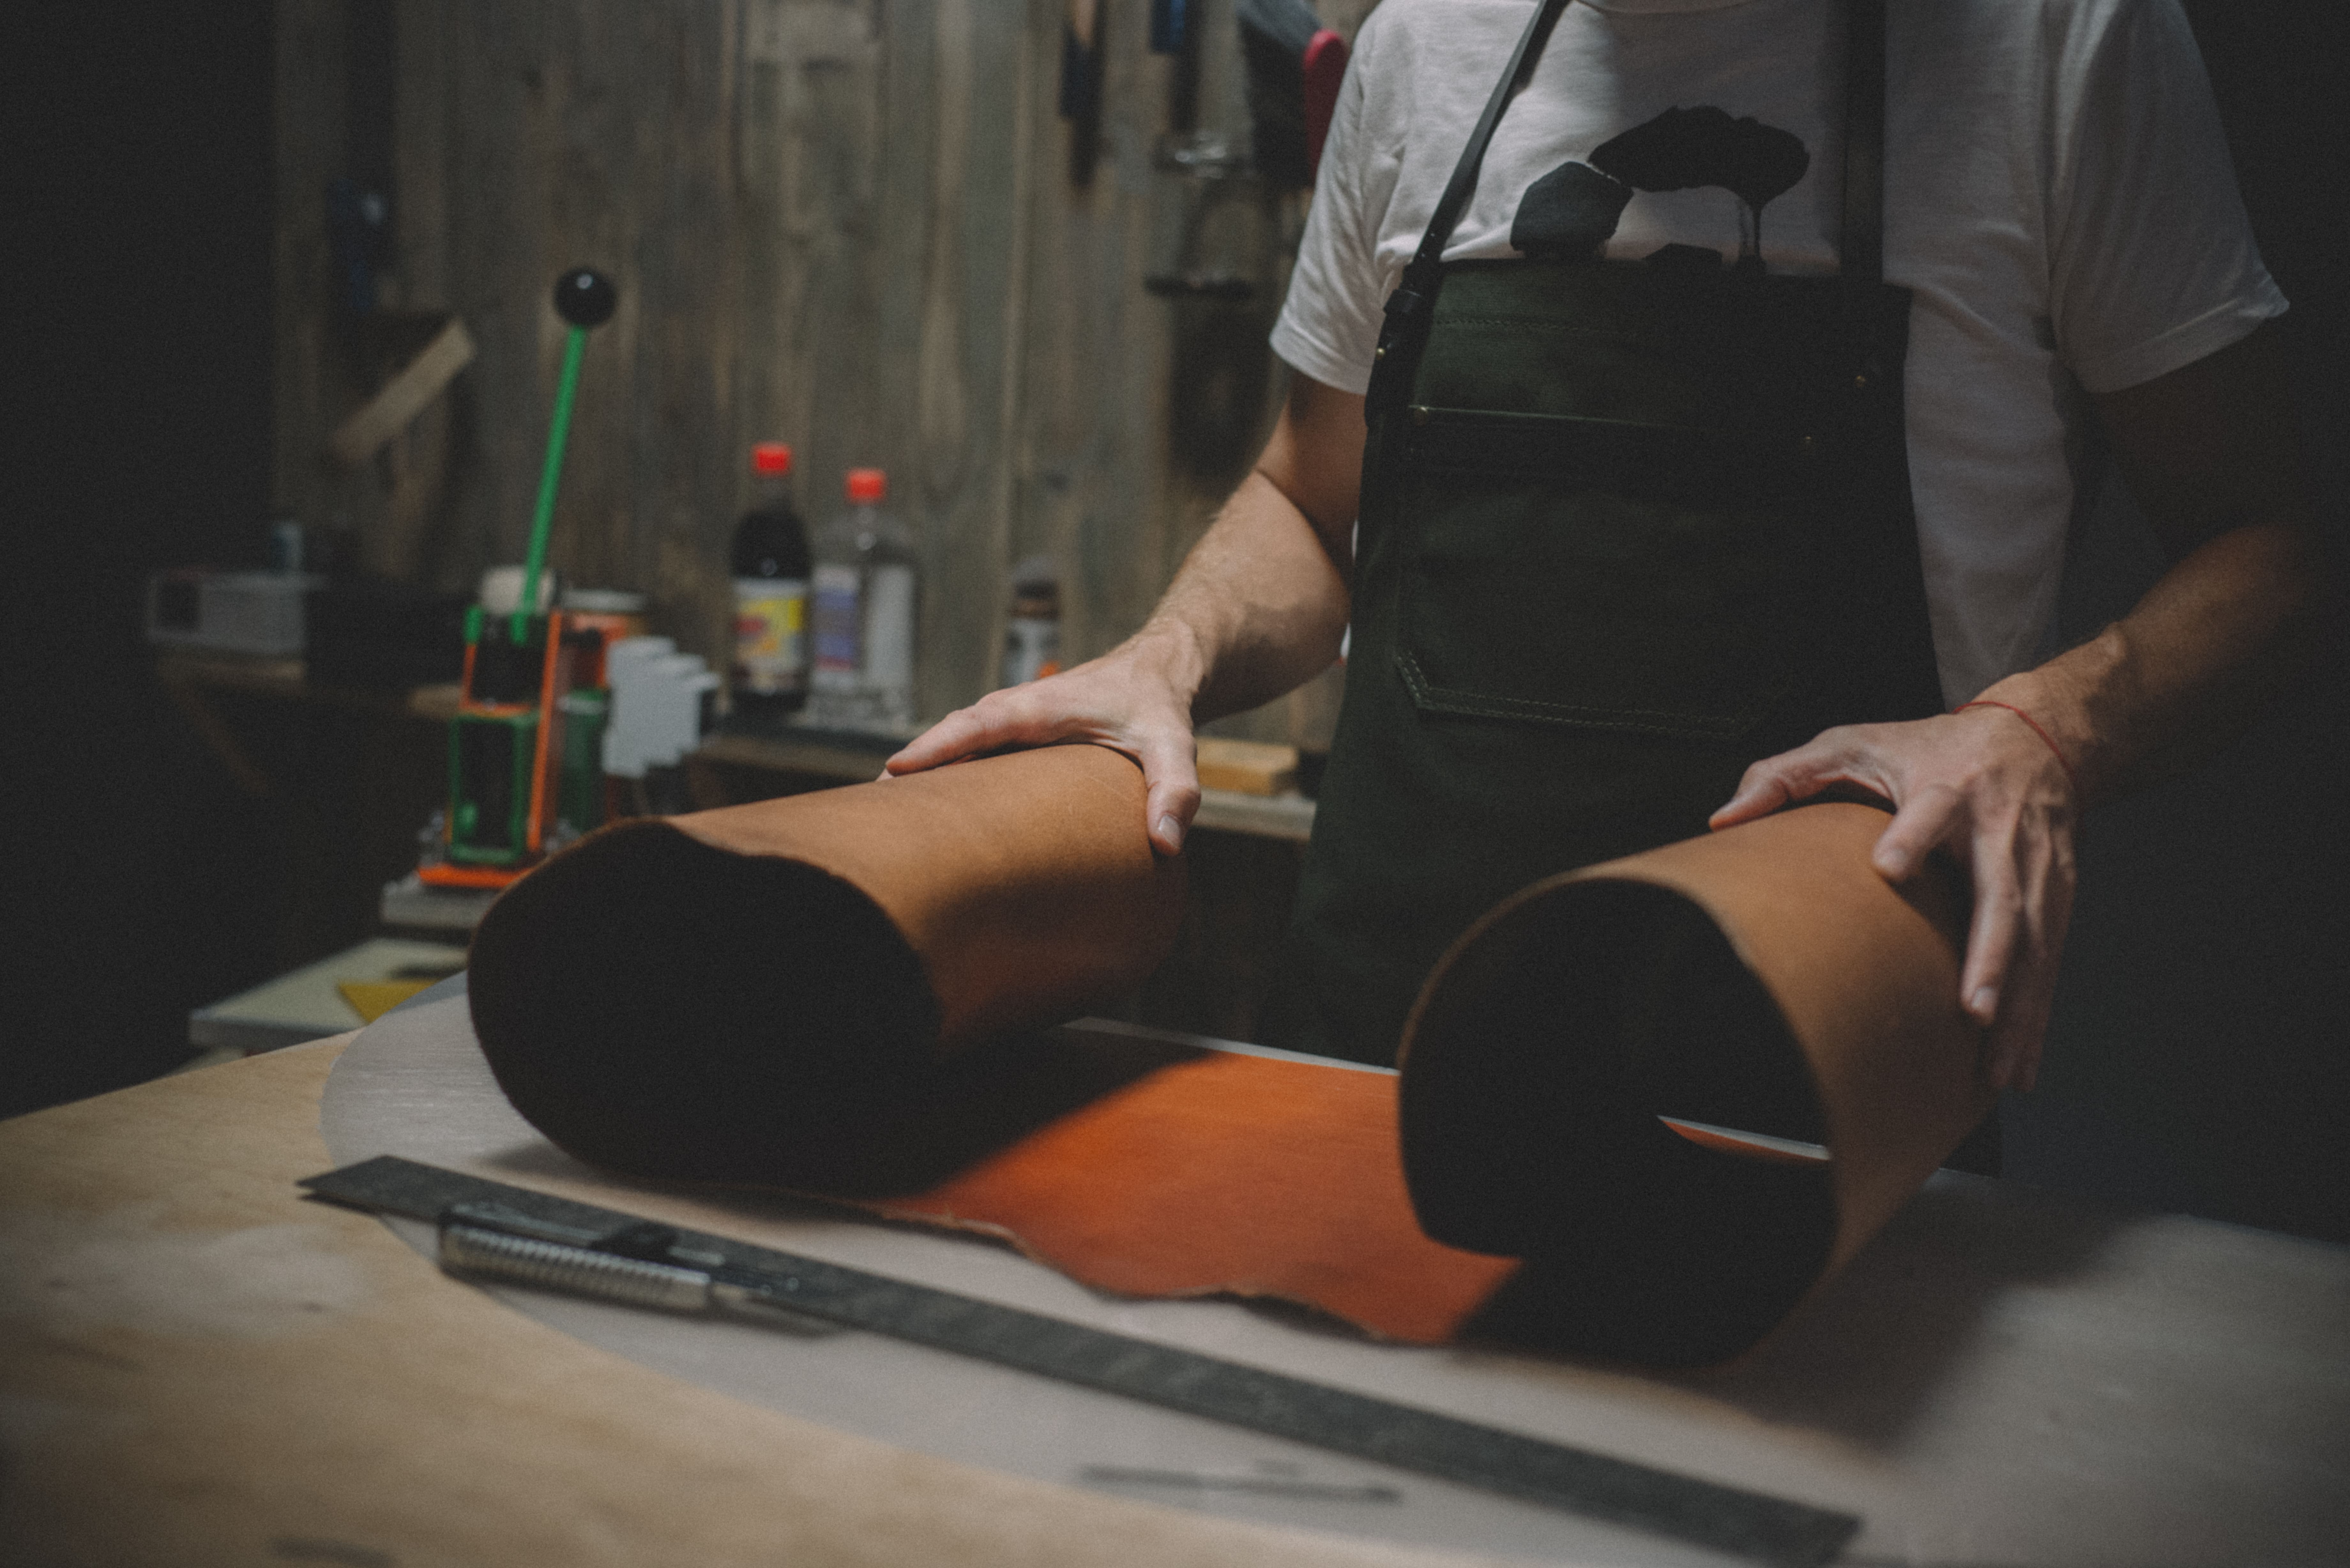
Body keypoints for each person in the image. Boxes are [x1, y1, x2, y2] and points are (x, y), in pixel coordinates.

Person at [890, 0, 2330, 1096]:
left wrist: (2041, 731)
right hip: (1374, 1063)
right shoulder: (1424, 41)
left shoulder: (2057, 41)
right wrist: (1170, 658)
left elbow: (2279, 544)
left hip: (1810, 1093)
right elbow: (1310, 499)